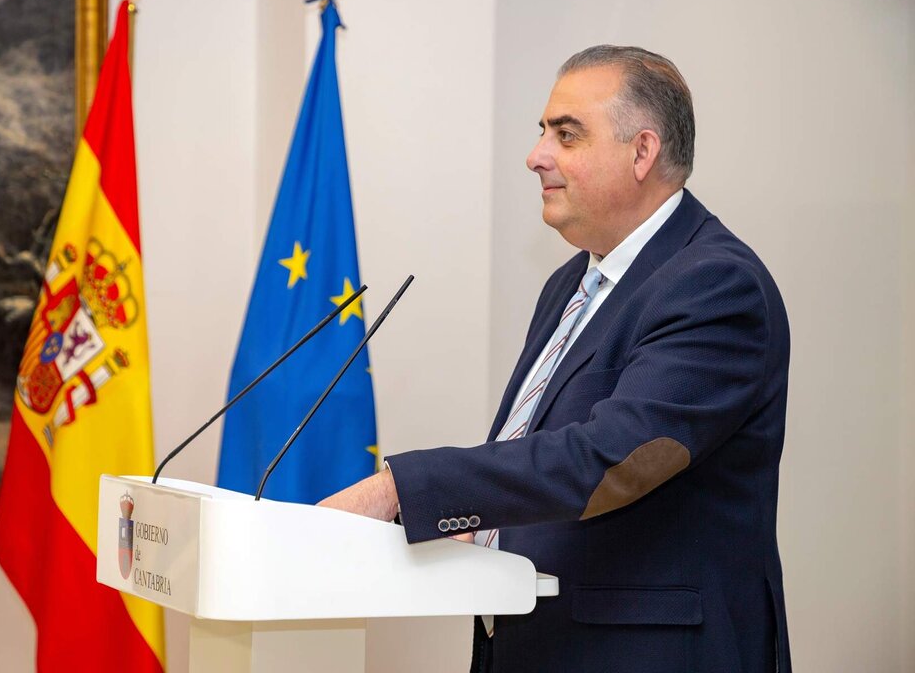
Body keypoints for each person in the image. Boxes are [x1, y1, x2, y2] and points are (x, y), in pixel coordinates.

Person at [319, 45, 792, 673]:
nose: (536, 155)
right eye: (543, 132)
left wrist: (404, 489)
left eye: (566, 134)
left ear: (642, 152)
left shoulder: (716, 286)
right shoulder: (573, 280)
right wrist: (479, 526)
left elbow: (611, 456)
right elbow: (547, 457)